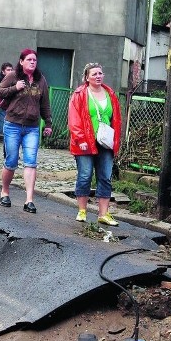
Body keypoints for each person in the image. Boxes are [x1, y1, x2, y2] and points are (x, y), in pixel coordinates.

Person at [0, 49, 52, 214]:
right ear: (21, 61)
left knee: (31, 162)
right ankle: (4, 192)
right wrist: (15, 88)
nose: (32, 62)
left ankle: (29, 200)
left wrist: (48, 123)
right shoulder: (13, 76)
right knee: (11, 160)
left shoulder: (41, 80)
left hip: (32, 127)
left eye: (34, 60)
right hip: (12, 124)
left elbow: (45, 104)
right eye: (29, 59)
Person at [68, 62, 122, 226]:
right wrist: (80, 138)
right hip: (84, 142)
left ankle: (103, 214)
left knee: (105, 176)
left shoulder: (110, 94)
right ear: (87, 77)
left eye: (100, 73)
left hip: (105, 142)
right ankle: (82, 210)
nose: (98, 76)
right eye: (94, 74)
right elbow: (74, 119)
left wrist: (116, 142)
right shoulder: (80, 94)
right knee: (85, 176)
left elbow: (116, 119)